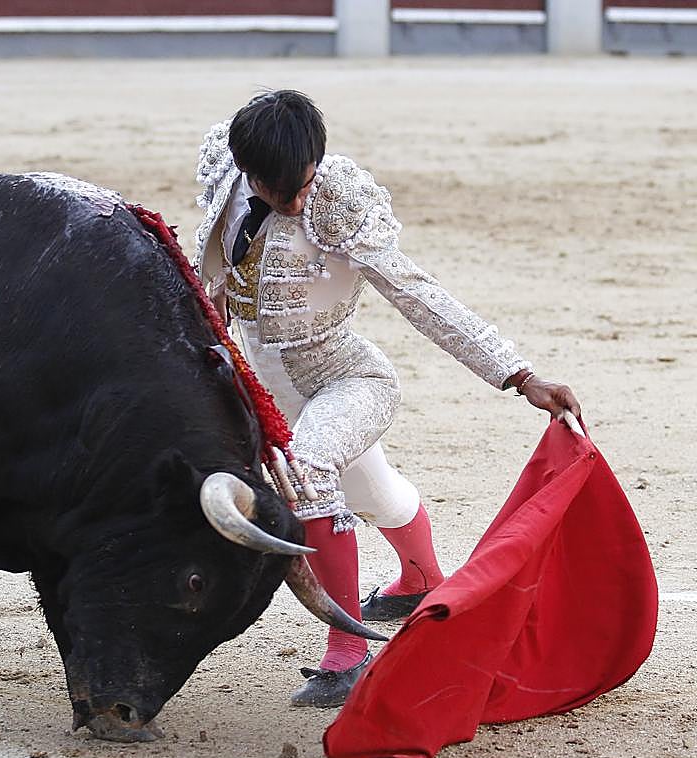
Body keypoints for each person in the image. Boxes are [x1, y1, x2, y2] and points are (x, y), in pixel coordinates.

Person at [193, 90, 582, 708]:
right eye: (280, 191)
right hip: (257, 377)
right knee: (373, 492)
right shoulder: (225, 165)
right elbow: (214, 264)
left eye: (304, 184)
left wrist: (516, 372)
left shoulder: (339, 200)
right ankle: (422, 579)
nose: (297, 202)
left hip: (344, 377)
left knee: (312, 468)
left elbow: (415, 293)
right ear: (248, 172)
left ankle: (347, 653)